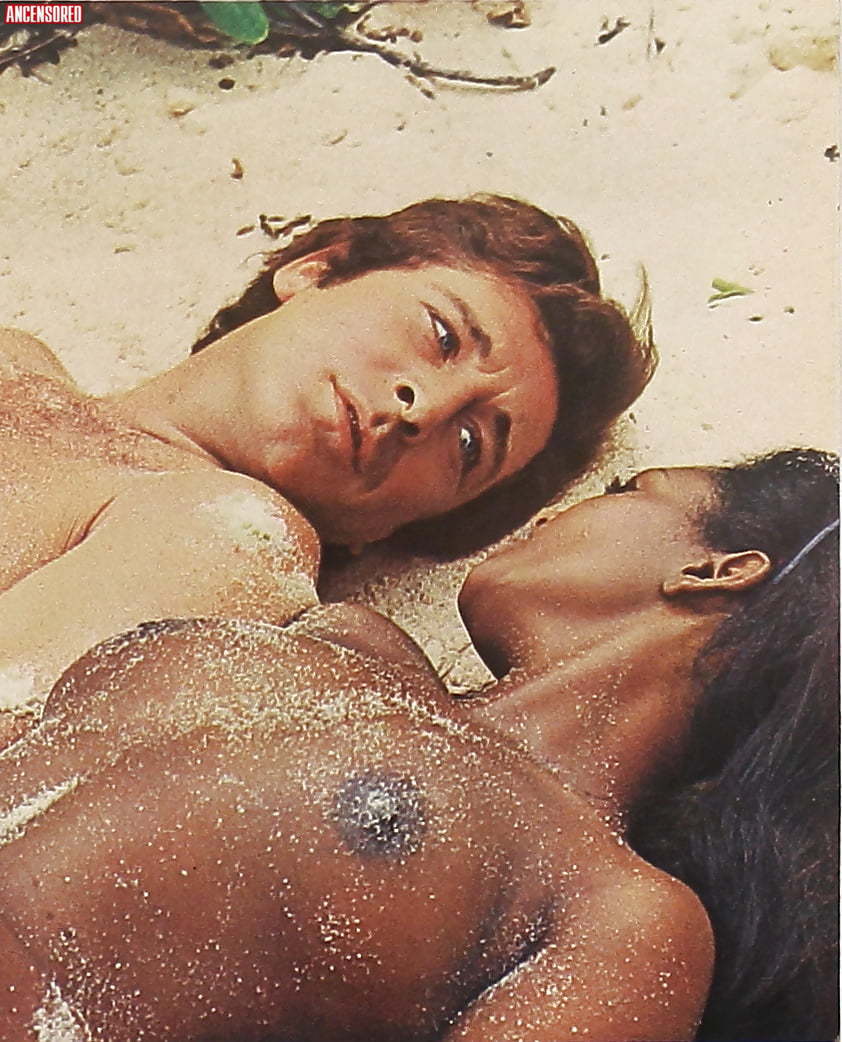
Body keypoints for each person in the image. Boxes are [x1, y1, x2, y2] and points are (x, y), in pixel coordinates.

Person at [3, 446, 833, 1041]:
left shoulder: (623, 920)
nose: (555, 511)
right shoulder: (346, 638)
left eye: (627, 489)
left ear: (719, 570)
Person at [0, 193, 654, 720]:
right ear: (316, 270)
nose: (422, 409)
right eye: (442, 335)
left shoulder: (225, 536)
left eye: (468, 444)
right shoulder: (17, 356)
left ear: (386, 529)